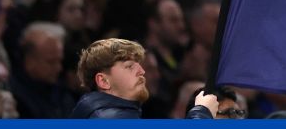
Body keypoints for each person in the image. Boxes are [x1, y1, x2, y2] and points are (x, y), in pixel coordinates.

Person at [71, 37, 218, 119]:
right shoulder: (110, 118)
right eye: (129, 66)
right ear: (103, 81)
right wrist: (201, 112)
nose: (141, 71)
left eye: (139, 65)